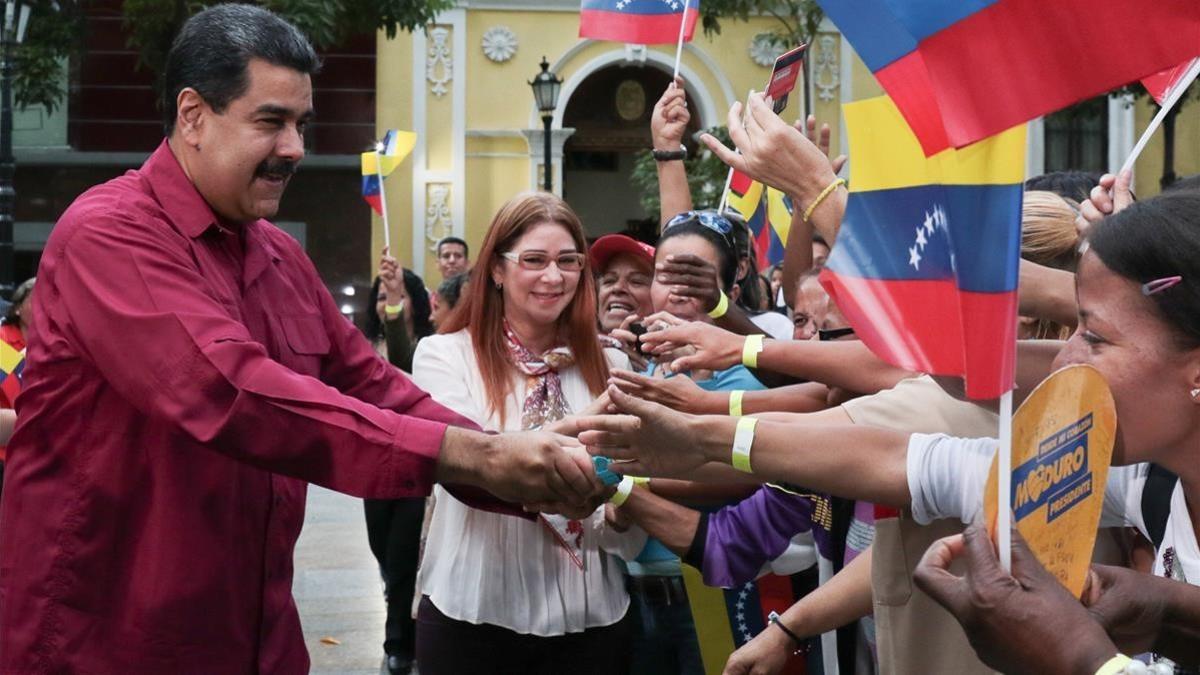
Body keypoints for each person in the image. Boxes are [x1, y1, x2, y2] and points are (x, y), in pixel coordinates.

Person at [0, 7, 607, 672]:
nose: (295, 147)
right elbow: (231, 392)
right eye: (271, 121)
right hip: (106, 639)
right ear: (194, 116)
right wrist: (471, 454)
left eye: (301, 124)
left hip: (257, 635)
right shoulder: (109, 235)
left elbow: (374, 386)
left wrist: (520, 467)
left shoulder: (280, 259)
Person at [580, 192, 1200, 671]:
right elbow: (918, 462)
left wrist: (1085, 659)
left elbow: (936, 374)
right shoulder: (1144, 484)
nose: (1066, 365)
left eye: (1093, 336)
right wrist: (701, 436)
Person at [411, 192, 644, 675]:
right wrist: (577, 440)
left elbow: (625, 525)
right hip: (472, 613)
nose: (553, 277)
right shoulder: (443, 357)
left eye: (568, 262)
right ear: (497, 269)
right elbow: (473, 462)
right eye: (534, 260)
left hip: (592, 618)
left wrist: (626, 504)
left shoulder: (614, 367)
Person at [360, 252, 436, 674]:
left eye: (399, 295)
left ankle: (399, 645)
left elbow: (403, 357)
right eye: (383, 297)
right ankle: (402, 621)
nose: (389, 302)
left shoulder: (430, 347)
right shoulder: (364, 350)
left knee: (405, 556)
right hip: (375, 468)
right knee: (384, 553)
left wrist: (394, 309)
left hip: (417, 469)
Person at [0, 277, 31, 495]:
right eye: (35, 299)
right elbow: (18, 394)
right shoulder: (3, 341)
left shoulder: (52, 341)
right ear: (18, 308)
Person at [590, 233, 655, 335]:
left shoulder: (682, 349)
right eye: (609, 280)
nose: (618, 288)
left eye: (636, 281)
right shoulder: (569, 349)